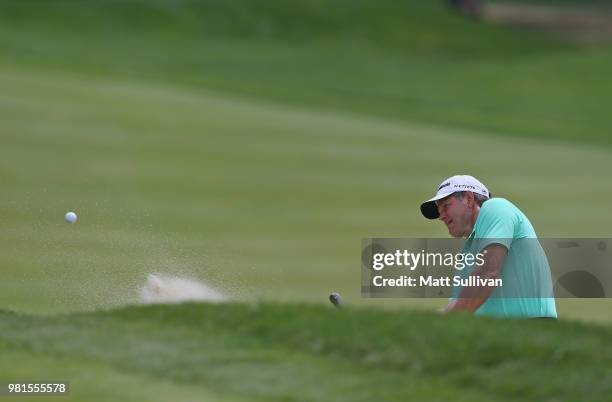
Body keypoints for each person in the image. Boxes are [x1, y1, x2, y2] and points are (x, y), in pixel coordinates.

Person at [420, 175, 557, 318]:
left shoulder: (495, 207)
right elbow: (457, 304)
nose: (441, 216)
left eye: (446, 206)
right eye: (439, 210)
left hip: (530, 328)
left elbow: (488, 273)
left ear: (469, 198)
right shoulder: (467, 254)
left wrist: (449, 320)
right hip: (502, 333)